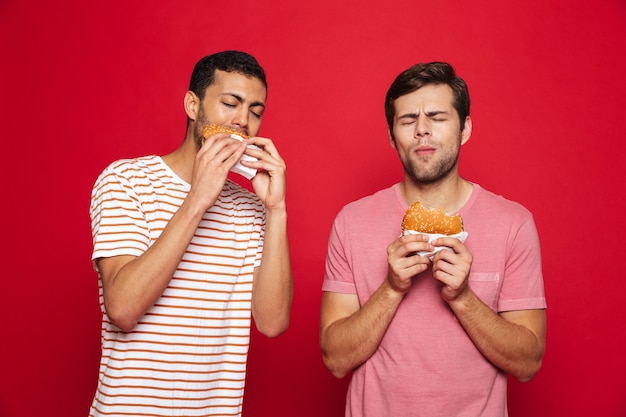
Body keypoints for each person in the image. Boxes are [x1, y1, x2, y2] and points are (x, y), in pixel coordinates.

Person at [320, 62, 546, 416]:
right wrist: (392, 288)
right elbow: (335, 359)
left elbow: (529, 362)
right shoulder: (351, 221)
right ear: (392, 135)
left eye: (438, 118)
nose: (422, 130)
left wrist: (463, 298)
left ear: (465, 128)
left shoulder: (514, 224)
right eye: (408, 120)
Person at [88, 50, 293, 416]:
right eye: (230, 103)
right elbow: (122, 308)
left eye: (256, 111)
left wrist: (276, 210)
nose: (243, 121)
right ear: (192, 105)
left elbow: (272, 322)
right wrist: (198, 199)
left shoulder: (251, 208)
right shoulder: (125, 181)